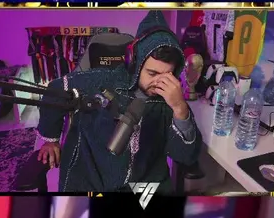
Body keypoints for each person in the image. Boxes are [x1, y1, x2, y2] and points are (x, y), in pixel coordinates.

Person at [35, 10, 202, 193]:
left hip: (145, 183)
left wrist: (180, 108)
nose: (159, 83)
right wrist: (51, 140)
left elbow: (186, 157)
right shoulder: (100, 81)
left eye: (167, 75)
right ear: (135, 63)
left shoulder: (171, 101)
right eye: (152, 73)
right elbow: (56, 89)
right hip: (91, 178)